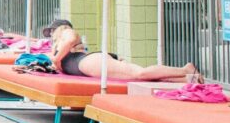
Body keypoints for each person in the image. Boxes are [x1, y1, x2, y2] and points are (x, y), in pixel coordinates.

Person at [45, 20, 198, 82]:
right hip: (88, 65)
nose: (50, 35)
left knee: (140, 73)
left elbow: (71, 39)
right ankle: (187, 79)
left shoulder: (65, 32)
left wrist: (57, 59)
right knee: (139, 78)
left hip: (89, 62)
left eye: (51, 32)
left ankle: (185, 69)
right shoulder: (58, 45)